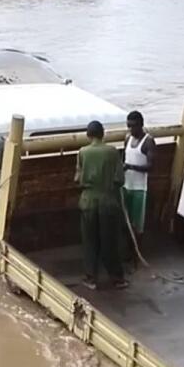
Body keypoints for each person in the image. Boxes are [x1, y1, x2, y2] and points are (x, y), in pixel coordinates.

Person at [75, 120, 127, 290]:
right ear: (103, 134)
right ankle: (117, 279)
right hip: (109, 202)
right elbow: (119, 179)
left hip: (88, 202)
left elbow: (78, 179)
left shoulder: (83, 152)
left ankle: (90, 279)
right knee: (110, 241)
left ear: (88, 135)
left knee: (90, 241)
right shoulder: (112, 152)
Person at [122, 111, 154, 236]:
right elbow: (124, 158)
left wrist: (130, 167)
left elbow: (150, 167)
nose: (130, 129)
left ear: (141, 125)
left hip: (140, 189)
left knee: (137, 225)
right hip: (126, 186)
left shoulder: (148, 141)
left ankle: (137, 251)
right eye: (128, 126)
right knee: (126, 221)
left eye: (133, 126)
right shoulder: (127, 138)